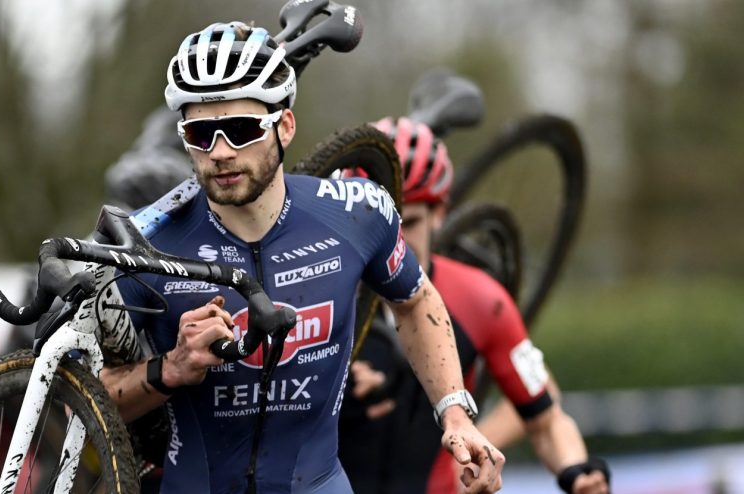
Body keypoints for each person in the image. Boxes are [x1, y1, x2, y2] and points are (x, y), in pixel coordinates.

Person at [98, 21, 505, 494]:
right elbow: (83, 401)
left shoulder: (356, 212)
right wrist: (168, 368)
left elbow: (415, 300)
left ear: (285, 127)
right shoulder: (144, 243)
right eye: (200, 133)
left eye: (242, 129)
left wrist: (455, 413)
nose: (221, 151)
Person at [337, 116, 611, 494]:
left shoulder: (480, 300)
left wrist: (576, 470)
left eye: (410, 221)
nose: (394, 240)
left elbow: (546, 419)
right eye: (379, 223)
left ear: (439, 213)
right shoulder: (319, 288)